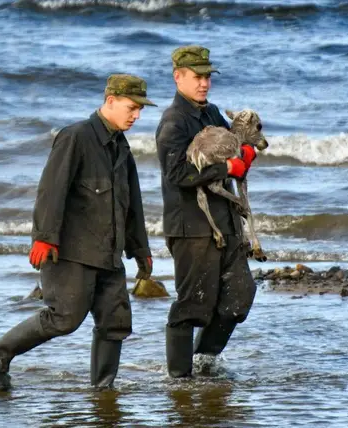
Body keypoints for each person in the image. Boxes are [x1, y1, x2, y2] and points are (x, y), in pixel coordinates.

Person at [0, 74, 156, 391]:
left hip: (110, 253)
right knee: (64, 318)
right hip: (71, 252)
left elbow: (133, 205)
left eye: (140, 109)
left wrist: (140, 249)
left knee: (115, 324)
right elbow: (51, 191)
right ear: (111, 101)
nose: (137, 115)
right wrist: (44, 237)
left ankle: (103, 391)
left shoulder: (121, 147)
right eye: (132, 107)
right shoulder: (75, 137)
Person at [155, 45, 258, 378]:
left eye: (207, 77)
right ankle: (179, 379)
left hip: (226, 225)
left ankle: (203, 361)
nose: (204, 84)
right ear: (178, 77)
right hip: (191, 229)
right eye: (197, 77)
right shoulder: (173, 121)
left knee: (240, 298)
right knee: (193, 306)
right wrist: (227, 166)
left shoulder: (213, 113)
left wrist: (247, 152)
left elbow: (237, 150)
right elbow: (177, 174)